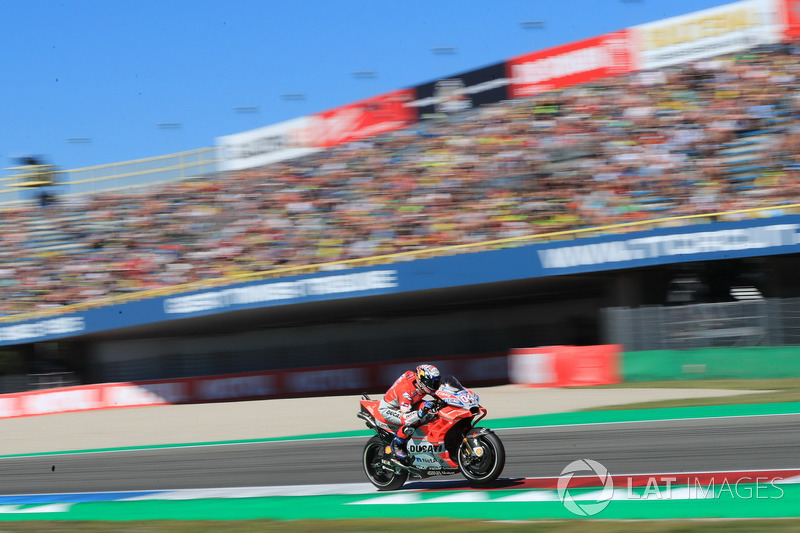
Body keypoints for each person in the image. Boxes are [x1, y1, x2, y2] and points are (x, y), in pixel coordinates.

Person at [379, 363, 442, 463]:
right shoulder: (406, 392)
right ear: (422, 381)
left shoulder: (417, 380)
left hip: (411, 402)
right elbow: (406, 417)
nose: (435, 385)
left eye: (436, 382)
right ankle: (397, 444)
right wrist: (420, 413)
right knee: (412, 422)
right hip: (391, 408)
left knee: (433, 410)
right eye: (432, 382)